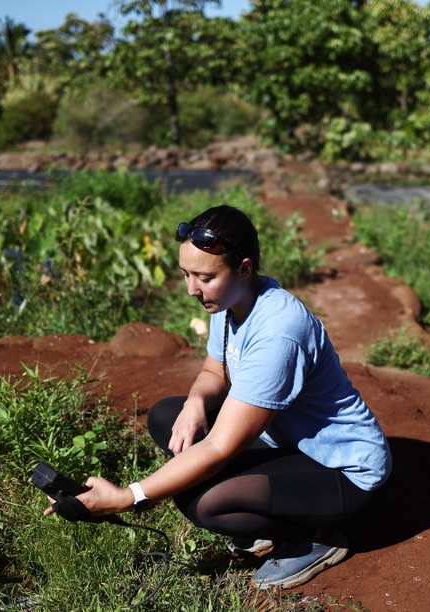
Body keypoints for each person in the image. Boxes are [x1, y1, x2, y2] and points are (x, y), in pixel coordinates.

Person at [44, 205, 392, 590]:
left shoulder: (279, 331)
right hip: (287, 442)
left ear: (244, 268)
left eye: (204, 277)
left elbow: (220, 448)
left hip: (341, 469)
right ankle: (267, 515)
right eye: (186, 275)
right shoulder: (229, 300)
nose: (192, 289)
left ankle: (313, 540)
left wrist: (129, 497)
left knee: (205, 504)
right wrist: (195, 402)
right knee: (168, 415)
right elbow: (214, 373)